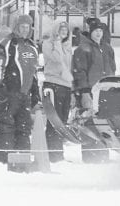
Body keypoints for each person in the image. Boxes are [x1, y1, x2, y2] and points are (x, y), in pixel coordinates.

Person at [0, 15, 40, 163]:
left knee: (24, 128)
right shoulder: (7, 43)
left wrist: (35, 93)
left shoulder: (32, 46)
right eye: (22, 26)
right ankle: (2, 161)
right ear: (16, 27)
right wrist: (0, 88)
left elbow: (34, 72)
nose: (25, 30)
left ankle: (21, 160)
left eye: (28, 27)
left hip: (25, 95)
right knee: (6, 127)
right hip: (8, 94)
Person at [72, 22, 116, 162]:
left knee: (103, 123)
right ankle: (90, 157)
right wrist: (84, 91)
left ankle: (102, 155)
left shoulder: (107, 48)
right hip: (89, 90)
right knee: (89, 123)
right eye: (96, 31)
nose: (98, 33)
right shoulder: (83, 49)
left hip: (104, 91)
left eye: (101, 31)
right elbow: (79, 71)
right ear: (90, 32)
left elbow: (113, 68)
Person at [42, 21, 73, 162]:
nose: (64, 33)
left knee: (63, 121)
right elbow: (56, 59)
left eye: (66, 31)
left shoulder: (68, 46)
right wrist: (58, 43)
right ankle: (53, 154)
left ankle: (58, 152)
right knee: (54, 121)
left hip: (66, 85)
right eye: (61, 30)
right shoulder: (49, 44)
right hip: (53, 84)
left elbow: (69, 66)